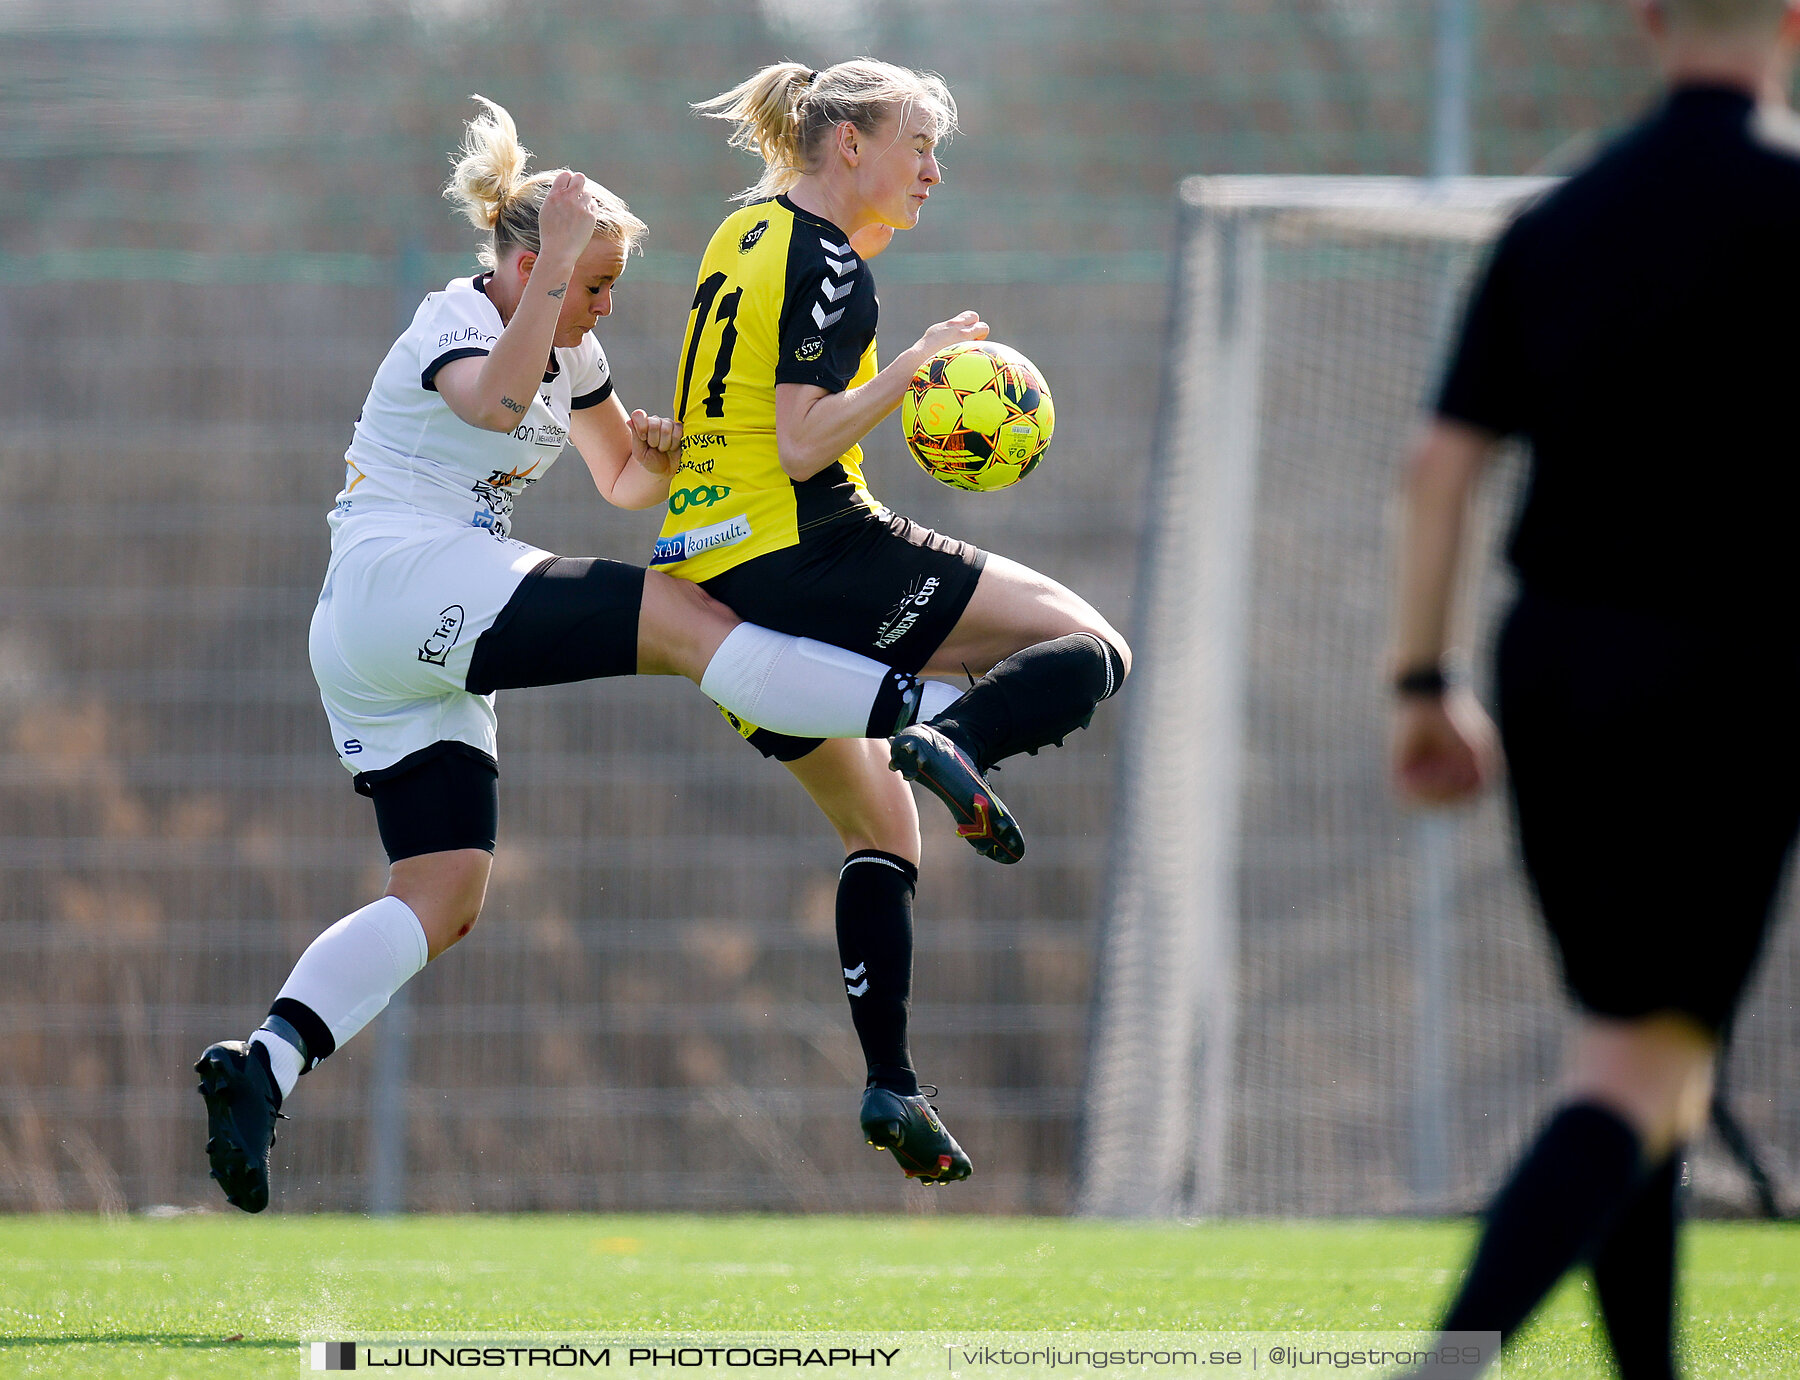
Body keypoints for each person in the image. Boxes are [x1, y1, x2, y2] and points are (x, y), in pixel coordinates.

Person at [194, 96, 995, 1214]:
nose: (604, 304)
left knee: (445, 889)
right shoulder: (458, 324)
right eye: (587, 279)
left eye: (611, 284)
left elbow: (621, 477)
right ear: (523, 263)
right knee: (679, 621)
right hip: (402, 580)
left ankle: (264, 1061)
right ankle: (917, 711)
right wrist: (557, 269)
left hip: (389, 643)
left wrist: (676, 447)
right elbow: (499, 398)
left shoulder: (567, 341)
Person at [1390, 2, 1800, 1373]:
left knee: (1636, 1056)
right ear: (1791, 25)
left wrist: (1422, 680)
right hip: (1733, 672)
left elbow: (1439, 472)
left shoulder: (1556, 226)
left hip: (1552, 665)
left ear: (1647, 23)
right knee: (1641, 1070)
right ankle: (1449, 1366)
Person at [663, 60, 1132, 1185]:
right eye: (918, 143)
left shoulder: (747, 234)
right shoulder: (829, 261)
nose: (934, 170)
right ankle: (958, 739)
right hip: (807, 550)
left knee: (884, 833)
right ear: (850, 144)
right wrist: (915, 366)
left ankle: (890, 1083)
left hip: (704, 580)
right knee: (1092, 645)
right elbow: (800, 441)